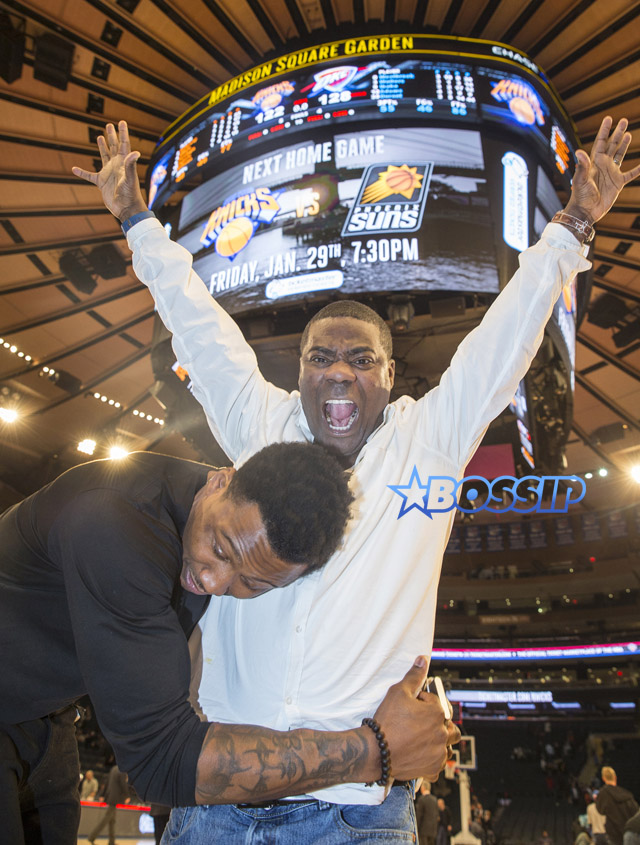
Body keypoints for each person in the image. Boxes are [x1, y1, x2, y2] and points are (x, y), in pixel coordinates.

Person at [72, 114, 639, 843]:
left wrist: (575, 224)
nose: (339, 371)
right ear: (300, 369)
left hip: (357, 810)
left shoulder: (430, 440)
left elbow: (505, 337)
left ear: (390, 374)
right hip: (219, 798)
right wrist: (134, 218)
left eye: (361, 359)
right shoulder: (259, 423)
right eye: (321, 357)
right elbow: (196, 321)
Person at [0, 444, 449, 845]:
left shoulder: (215, 528)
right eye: (220, 547)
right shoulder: (113, 521)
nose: (214, 581)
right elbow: (161, 762)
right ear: (219, 481)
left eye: (251, 583)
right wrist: (375, 751)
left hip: (48, 714)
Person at [596, 766, 639, 845]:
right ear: (615, 777)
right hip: (631, 833)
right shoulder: (627, 794)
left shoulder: (603, 794)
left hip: (615, 835)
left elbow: (600, 810)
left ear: (603, 778)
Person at [87, 765, 129, 845]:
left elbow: (107, 782)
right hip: (115, 798)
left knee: (112, 821)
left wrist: (102, 794)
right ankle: (91, 837)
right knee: (105, 819)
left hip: (110, 797)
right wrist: (127, 795)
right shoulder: (122, 770)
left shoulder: (113, 769)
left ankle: (111, 841)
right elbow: (123, 784)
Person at [415, 781, 439, 845]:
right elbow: (437, 815)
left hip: (423, 830)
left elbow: (419, 816)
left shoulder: (421, 799)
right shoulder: (435, 800)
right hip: (433, 831)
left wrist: (416, 829)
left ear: (423, 788)